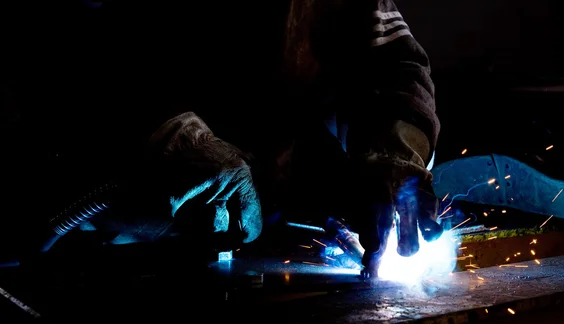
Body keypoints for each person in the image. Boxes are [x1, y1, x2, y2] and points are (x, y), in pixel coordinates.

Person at [5, 0, 443, 274]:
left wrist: (395, 154)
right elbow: (65, 47)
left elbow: (393, 65)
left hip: (259, 217)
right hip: (96, 216)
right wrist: (175, 137)